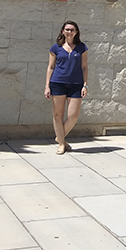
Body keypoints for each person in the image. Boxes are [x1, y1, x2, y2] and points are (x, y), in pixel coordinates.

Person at [44, 21, 88, 154]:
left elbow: (84, 67)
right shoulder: (55, 48)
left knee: (73, 116)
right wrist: (47, 86)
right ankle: (62, 144)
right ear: (63, 31)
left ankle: (59, 137)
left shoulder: (82, 48)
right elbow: (51, 67)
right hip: (57, 83)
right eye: (67, 29)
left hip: (76, 85)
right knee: (58, 115)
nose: (69, 32)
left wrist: (85, 85)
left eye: (72, 29)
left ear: (76, 32)